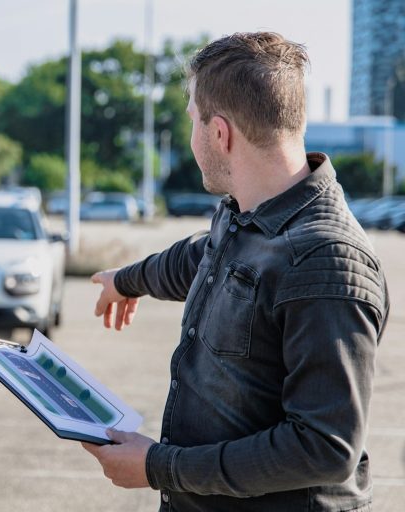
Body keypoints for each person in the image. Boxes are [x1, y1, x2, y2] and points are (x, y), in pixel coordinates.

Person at [83, 32, 389, 511]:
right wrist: (127, 279)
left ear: (219, 133)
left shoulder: (327, 261)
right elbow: (201, 259)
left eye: (192, 123)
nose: (191, 138)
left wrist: (158, 467)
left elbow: (325, 448)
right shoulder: (246, 215)